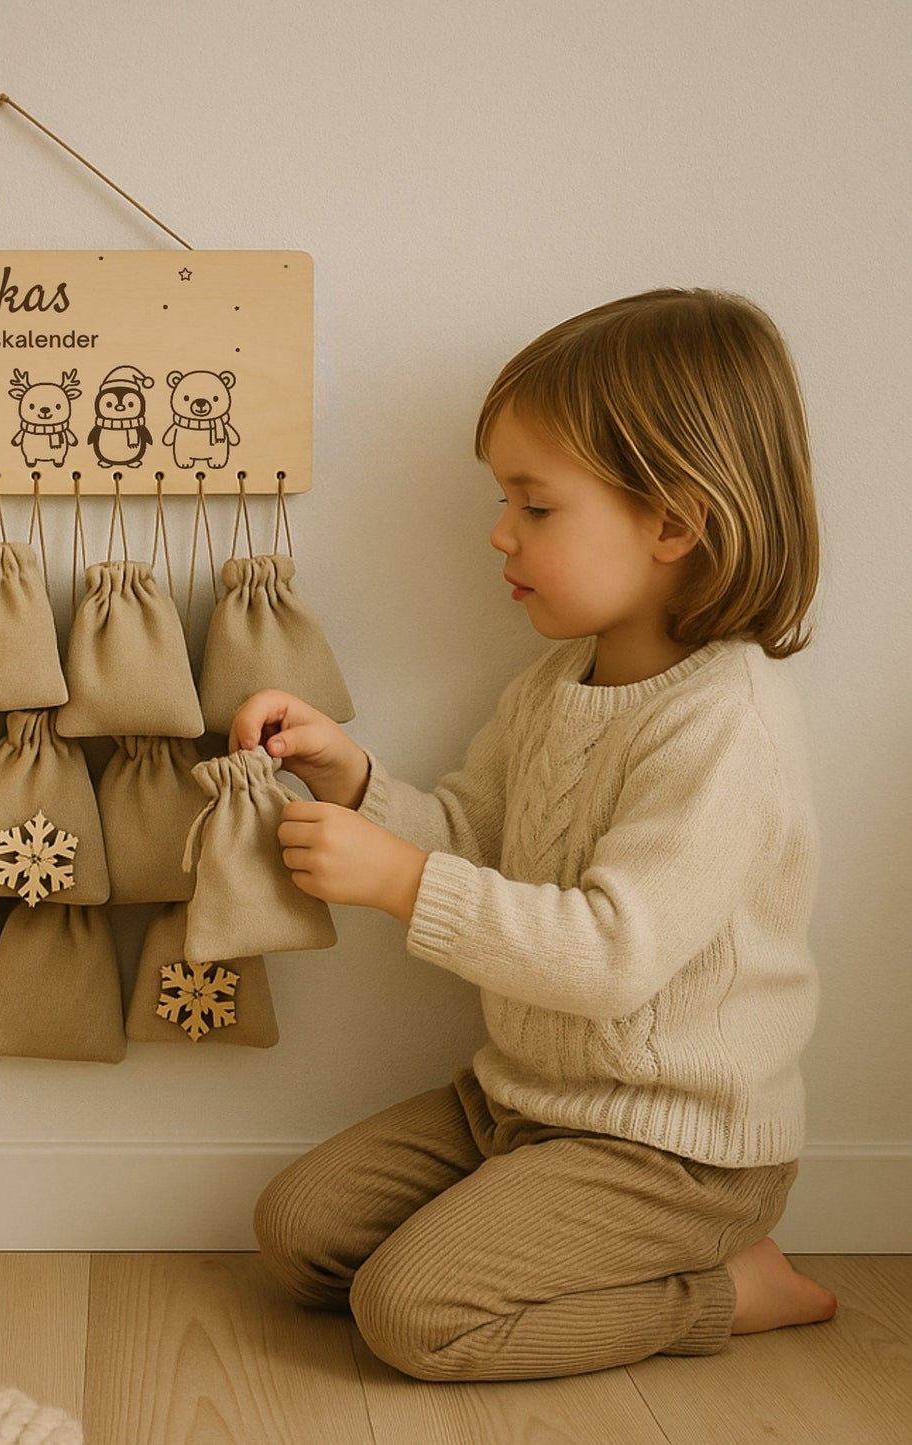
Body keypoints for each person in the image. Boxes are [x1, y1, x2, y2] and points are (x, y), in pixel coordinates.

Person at [232, 288, 838, 1382]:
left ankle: (725, 1287)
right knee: (299, 1230)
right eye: (503, 499)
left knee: (411, 1316)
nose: (499, 532)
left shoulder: (724, 727)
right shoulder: (554, 684)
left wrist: (400, 881)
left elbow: (609, 956)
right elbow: (471, 835)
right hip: (516, 1101)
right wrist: (350, 778)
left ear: (672, 522)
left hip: (672, 1149)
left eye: (536, 505)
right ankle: (530, 1227)